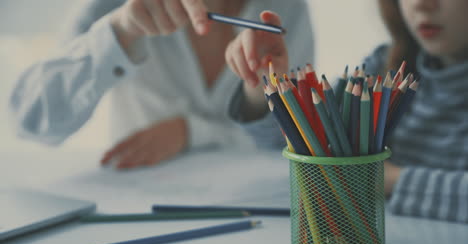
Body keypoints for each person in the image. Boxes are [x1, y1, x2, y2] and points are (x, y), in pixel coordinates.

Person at [229, 0, 468, 223]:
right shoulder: (386, 65)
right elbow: (297, 143)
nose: (421, 4)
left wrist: (383, 179)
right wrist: (264, 81)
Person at [9, 0, 314, 169]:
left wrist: (257, 97)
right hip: (135, 203)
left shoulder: (285, 9)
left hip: (251, 214)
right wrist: (119, 32)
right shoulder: (112, 4)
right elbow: (29, 121)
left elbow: (295, 142)